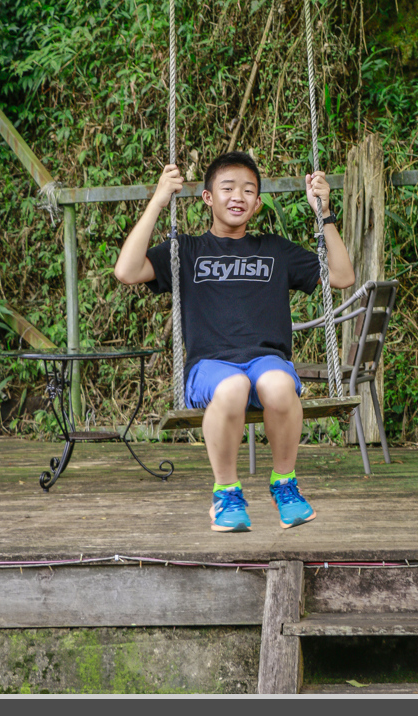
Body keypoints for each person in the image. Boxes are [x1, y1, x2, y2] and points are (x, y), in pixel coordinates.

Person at [114, 151, 355, 533]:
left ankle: (285, 484)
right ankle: (226, 491)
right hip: (210, 368)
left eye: (248, 190)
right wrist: (159, 200)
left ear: (257, 203)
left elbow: (342, 276)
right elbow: (126, 271)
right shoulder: (187, 251)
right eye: (227, 188)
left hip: (266, 362)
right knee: (233, 387)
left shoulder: (275, 250)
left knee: (278, 385)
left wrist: (323, 213)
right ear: (209, 197)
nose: (238, 196)